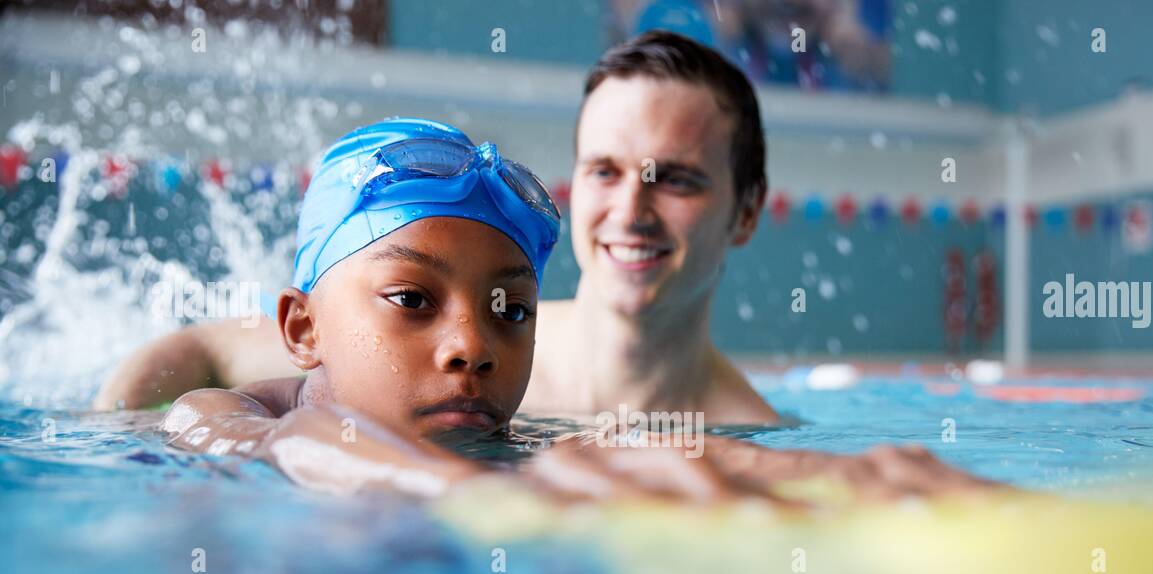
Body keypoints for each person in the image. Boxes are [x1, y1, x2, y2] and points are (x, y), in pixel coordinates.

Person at [161, 117, 995, 504]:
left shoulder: (506, 437)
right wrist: (490, 501)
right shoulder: (223, 411)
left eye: (511, 312)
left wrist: (846, 473)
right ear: (303, 329)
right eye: (413, 300)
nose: (471, 347)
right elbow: (297, 445)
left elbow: (630, 442)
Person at [97, 31, 783, 423]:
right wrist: (116, 454)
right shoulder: (406, 334)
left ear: (747, 211)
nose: (631, 210)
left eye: (678, 180)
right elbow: (198, 351)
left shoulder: (738, 434)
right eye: (605, 172)